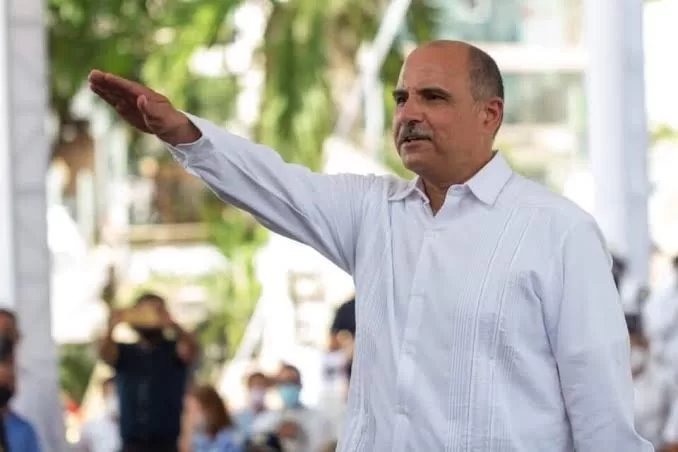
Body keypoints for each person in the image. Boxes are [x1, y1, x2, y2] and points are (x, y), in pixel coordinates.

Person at [88, 39, 651, 451]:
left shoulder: (559, 233)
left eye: (433, 97)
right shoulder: (374, 212)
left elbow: (603, 420)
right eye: (402, 98)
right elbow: (273, 185)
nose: (409, 114)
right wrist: (180, 132)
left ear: (490, 114)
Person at [99, 292, 198, 452]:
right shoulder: (125, 352)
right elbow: (105, 354)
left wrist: (173, 325)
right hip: (132, 443)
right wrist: (112, 326)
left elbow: (192, 349)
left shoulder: (173, 350)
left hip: (166, 443)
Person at [251, 364, 333, 452]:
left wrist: (300, 435)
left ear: (300, 385)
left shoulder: (319, 420)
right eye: (284, 382)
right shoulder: (264, 421)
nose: (288, 386)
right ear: (278, 386)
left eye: (292, 381)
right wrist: (275, 435)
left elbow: (327, 447)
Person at [626, 314, 678, 450]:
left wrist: (671, 439)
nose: (632, 353)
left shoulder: (662, 377)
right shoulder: (613, 387)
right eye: (627, 348)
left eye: (635, 345)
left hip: (661, 446)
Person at [180, 385, 242, 452]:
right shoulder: (198, 439)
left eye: (193, 410)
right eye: (187, 411)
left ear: (209, 410)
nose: (188, 416)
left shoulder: (230, 438)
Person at [76, 377, 121, 452]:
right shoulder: (91, 427)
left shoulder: (136, 429)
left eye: (116, 393)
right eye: (108, 394)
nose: (112, 398)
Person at [233, 372, 269, 437]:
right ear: (248, 388)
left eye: (261, 385)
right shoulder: (238, 416)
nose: (258, 388)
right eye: (255, 385)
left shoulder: (273, 416)